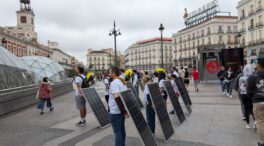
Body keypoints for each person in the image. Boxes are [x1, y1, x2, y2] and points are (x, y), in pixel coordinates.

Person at [108, 67, 128, 146]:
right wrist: (124, 110)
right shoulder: (121, 82)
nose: (108, 73)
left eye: (109, 72)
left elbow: (117, 97)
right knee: (122, 130)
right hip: (120, 111)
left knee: (117, 133)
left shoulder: (114, 83)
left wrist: (123, 111)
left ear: (113, 73)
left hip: (115, 112)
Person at [247, 58, 264, 146]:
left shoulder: (253, 76)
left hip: (258, 101)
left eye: (256, 63)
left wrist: (253, 98)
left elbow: (248, 91)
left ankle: (262, 142)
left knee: (260, 121)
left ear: (259, 65)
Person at [238, 64, 255, 129]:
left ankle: (247, 124)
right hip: (250, 94)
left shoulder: (241, 78)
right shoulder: (252, 77)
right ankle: (255, 122)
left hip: (243, 94)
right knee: (251, 108)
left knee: (246, 108)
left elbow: (240, 86)